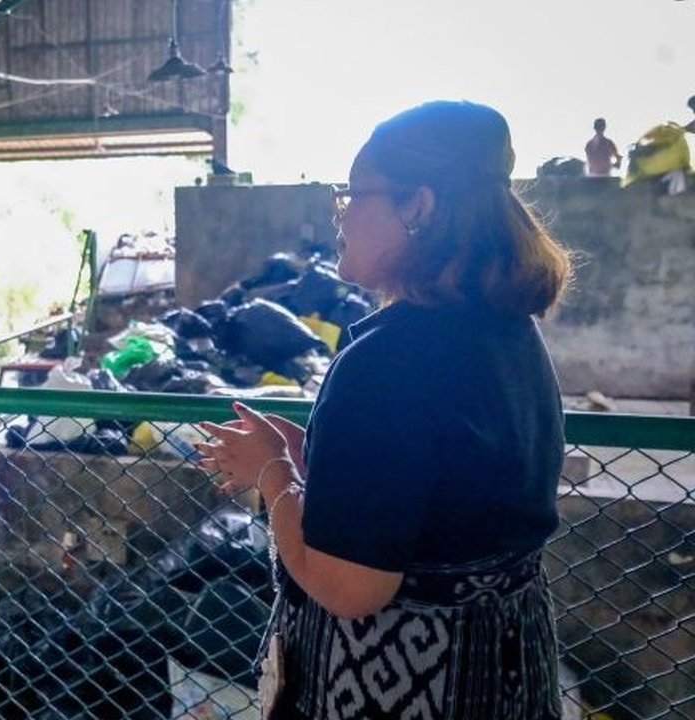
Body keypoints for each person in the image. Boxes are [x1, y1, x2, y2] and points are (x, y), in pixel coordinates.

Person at [196, 101, 572, 720]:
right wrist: (311, 455)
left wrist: (273, 475)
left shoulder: (390, 358)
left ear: (417, 206)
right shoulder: (502, 329)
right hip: (505, 665)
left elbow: (350, 588)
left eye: (353, 193)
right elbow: (437, 492)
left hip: (405, 685)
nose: (340, 213)